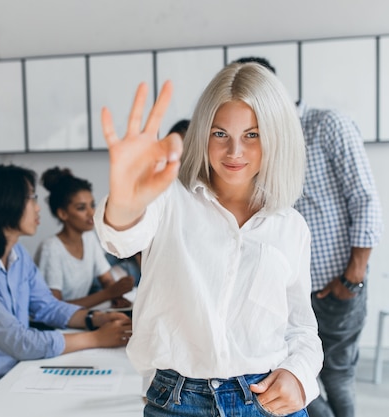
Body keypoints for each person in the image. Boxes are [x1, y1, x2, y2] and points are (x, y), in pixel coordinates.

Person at [94, 61, 323, 416]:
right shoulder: (167, 199)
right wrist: (125, 200)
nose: (234, 152)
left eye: (252, 134)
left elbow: (301, 329)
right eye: (220, 134)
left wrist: (299, 376)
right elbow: (119, 238)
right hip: (178, 401)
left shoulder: (290, 227)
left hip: (266, 401)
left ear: (276, 136)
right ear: (202, 133)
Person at [234, 56, 384, 417]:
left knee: (337, 377)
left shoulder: (327, 125)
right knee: (294, 380)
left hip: (335, 285)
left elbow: (365, 200)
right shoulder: (255, 142)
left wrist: (352, 278)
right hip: (281, 293)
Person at [0, 164, 132, 417]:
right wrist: (96, 338)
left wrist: (93, 319)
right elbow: (18, 341)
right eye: (31, 197)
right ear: (4, 203)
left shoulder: (17, 255)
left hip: (9, 380)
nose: (37, 207)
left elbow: (47, 305)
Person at [34, 166, 134, 309]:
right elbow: (53, 308)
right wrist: (109, 293)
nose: (91, 213)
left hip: (78, 318)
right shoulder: (51, 248)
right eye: (81, 208)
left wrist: (117, 296)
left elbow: (106, 279)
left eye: (92, 205)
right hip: (56, 326)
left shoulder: (89, 238)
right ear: (63, 214)